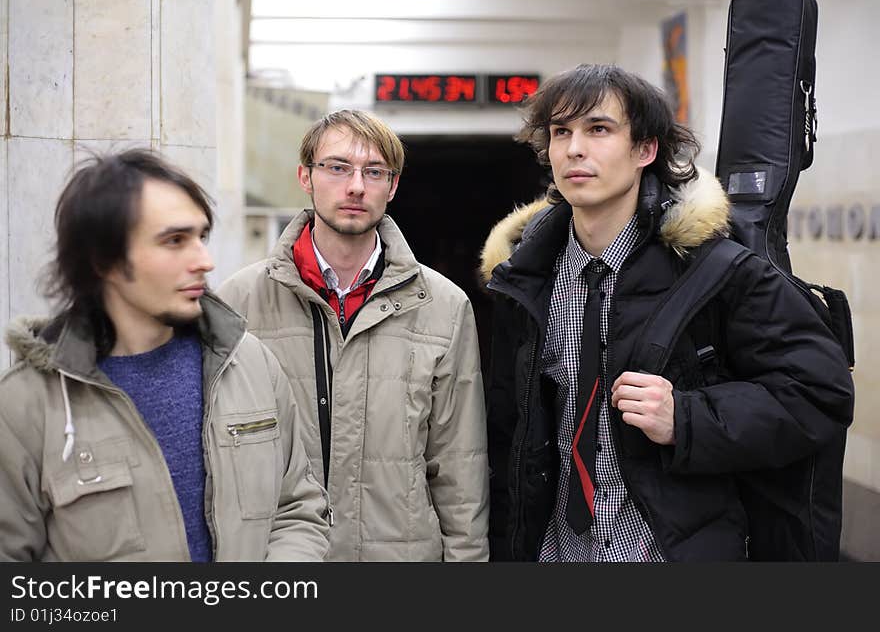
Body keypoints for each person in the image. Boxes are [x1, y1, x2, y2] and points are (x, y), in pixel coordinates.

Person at [480, 63, 854, 561]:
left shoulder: (719, 271)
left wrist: (687, 417)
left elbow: (820, 394)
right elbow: (508, 434)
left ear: (645, 150)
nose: (574, 149)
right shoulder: (524, 281)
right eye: (560, 132)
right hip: (556, 551)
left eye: (599, 129)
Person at [0, 149, 330, 561]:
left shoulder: (248, 363)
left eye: (201, 236)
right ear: (104, 259)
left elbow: (297, 509)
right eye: (175, 241)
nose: (204, 261)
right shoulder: (27, 404)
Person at [218, 109, 489, 561]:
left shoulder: (444, 306)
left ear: (393, 186)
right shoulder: (240, 302)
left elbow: (460, 469)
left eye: (374, 171)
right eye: (337, 167)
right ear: (305, 177)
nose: (356, 186)